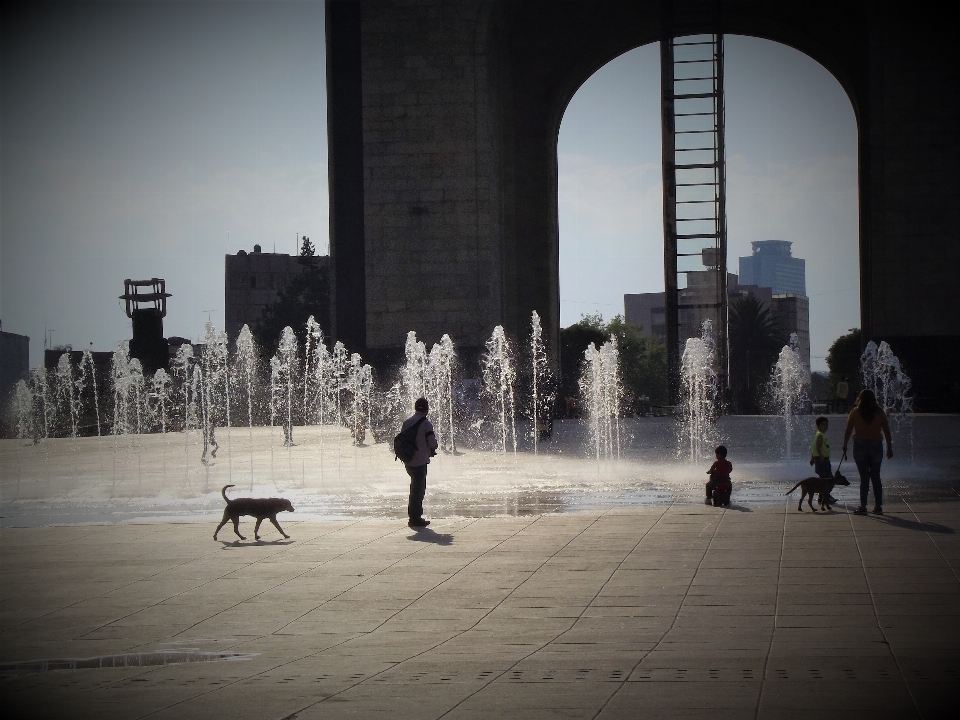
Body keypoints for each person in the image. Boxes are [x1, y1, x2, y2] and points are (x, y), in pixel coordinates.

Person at [842, 389, 892, 515]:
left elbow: (848, 430)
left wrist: (845, 444)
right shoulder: (880, 412)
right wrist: (890, 447)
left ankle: (863, 505)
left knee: (864, 477)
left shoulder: (855, 412)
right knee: (876, 476)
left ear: (860, 399)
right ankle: (878, 506)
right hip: (876, 445)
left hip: (860, 445)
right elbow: (886, 431)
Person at [402, 397, 439, 528]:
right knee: (418, 489)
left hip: (408, 461)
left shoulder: (407, 422)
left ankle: (413, 515)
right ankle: (415, 518)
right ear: (427, 409)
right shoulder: (426, 423)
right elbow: (432, 442)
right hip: (420, 461)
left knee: (414, 487)